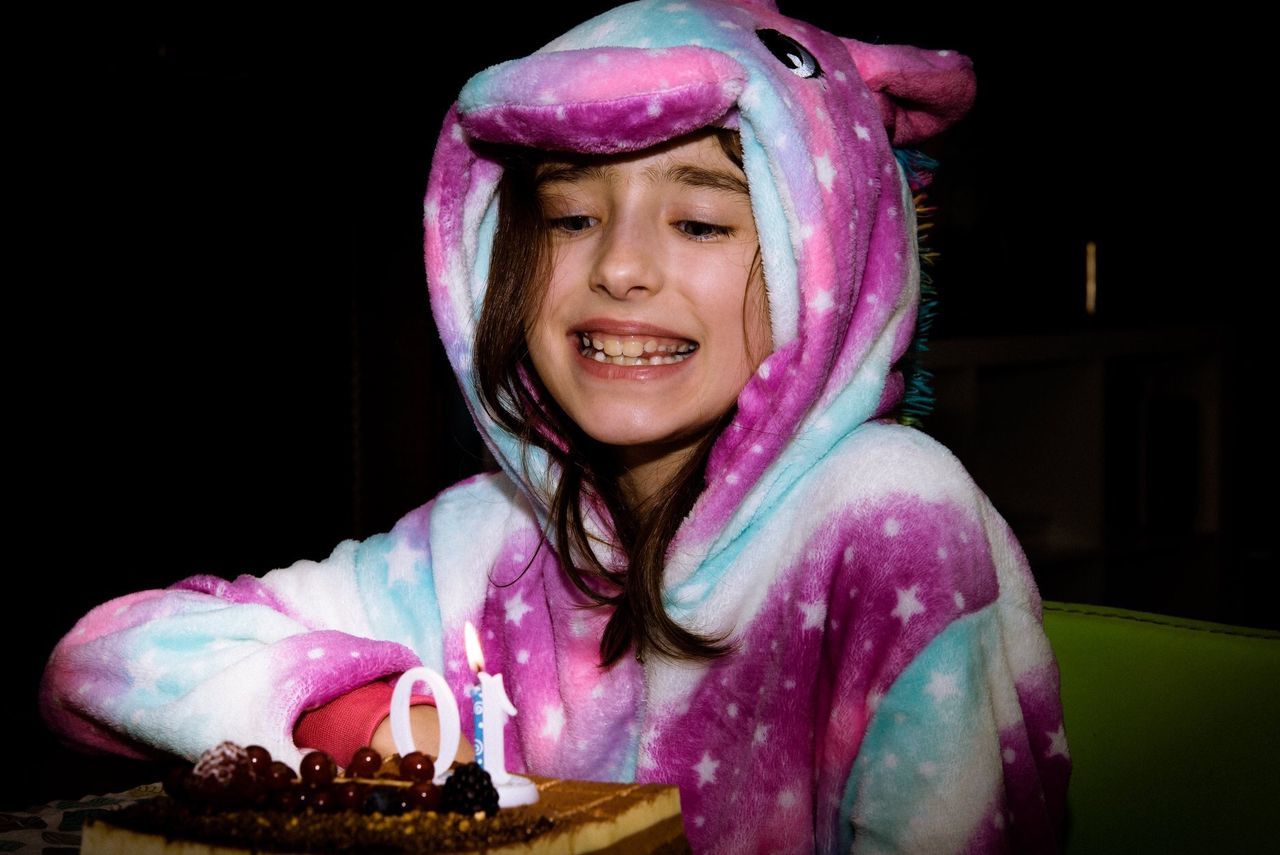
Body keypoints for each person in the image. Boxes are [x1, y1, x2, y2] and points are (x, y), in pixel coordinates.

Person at [40, 1, 1069, 851]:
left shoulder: (892, 516)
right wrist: (354, 717)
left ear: (832, 263)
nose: (619, 268)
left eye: (701, 222)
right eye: (570, 218)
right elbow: (104, 661)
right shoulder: (482, 541)